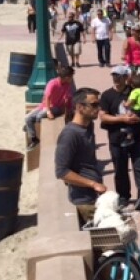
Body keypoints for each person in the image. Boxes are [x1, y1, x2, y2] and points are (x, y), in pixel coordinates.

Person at [100, 65, 140, 206]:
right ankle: (123, 197)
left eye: (119, 76)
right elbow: (103, 116)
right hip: (117, 139)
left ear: (126, 77)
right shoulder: (107, 95)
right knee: (120, 170)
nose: (116, 79)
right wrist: (122, 119)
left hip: (137, 137)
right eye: (114, 76)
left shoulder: (135, 91)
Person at [54, 87, 106, 224]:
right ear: (80, 107)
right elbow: (61, 172)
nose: (98, 108)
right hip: (83, 202)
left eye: (98, 104)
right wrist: (93, 184)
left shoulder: (89, 126)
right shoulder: (70, 135)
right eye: (94, 105)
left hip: (95, 197)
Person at [24, 65, 75, 151]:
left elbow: (68, 100)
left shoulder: (67, 86)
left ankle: (34, 129)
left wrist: (69, 111)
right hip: (45, 106)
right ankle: (34, 139)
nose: (72, 79)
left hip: (57, 107)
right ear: (66, 77)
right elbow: (47, 97)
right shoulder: (53, 83)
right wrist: (48, 111)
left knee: (39, 116)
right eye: (71, 77)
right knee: (28, 118)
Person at [120, 74, 140, 147]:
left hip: (137, 109)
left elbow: (130, 102)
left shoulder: (135, 92)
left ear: (132, 85)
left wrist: (125, 104)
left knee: (130, 119)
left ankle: (129, 136)